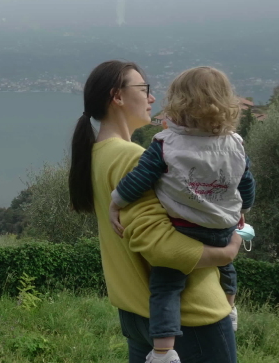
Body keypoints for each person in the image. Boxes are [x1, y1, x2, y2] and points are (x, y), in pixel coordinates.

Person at [69, 61, 242, 363]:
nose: (151, 98)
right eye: (144, 89)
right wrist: (226, 253)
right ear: (118, 97)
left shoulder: (98, 155)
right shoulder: (133, 157)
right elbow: (160, 247)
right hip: (189, 317)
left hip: (138, 314)